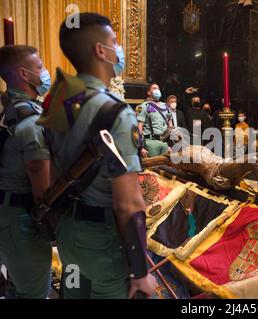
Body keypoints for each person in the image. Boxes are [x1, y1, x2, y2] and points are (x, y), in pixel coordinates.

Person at [46, 13, 157, 299]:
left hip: (68, 235)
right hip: (104, 245)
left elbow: (49, 177)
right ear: (100, 50)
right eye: (115, 43)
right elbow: (128, 203)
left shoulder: (60, 106)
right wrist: (140, 273)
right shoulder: (117, 114)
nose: (118, 50)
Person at [0, 45, 52, 299]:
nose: (44, 73)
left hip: (7, 216)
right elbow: (42, 191)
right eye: (40, 68)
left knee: (17, 290)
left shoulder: (10, 111)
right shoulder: (31, 123)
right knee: (33, 293)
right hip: (22, 222)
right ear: (24, 73)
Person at [137, 83, 172, 157]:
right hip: (150, 142)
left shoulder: (165, 106)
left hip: (164, 142)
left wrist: (170, 144)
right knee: (152, 167)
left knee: (165, 167)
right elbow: (139, 127)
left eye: (158, 88)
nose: (157, 90)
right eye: (154, 88)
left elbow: (171, 126)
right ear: (149, 92)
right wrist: (140, 147)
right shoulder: (143, 106)